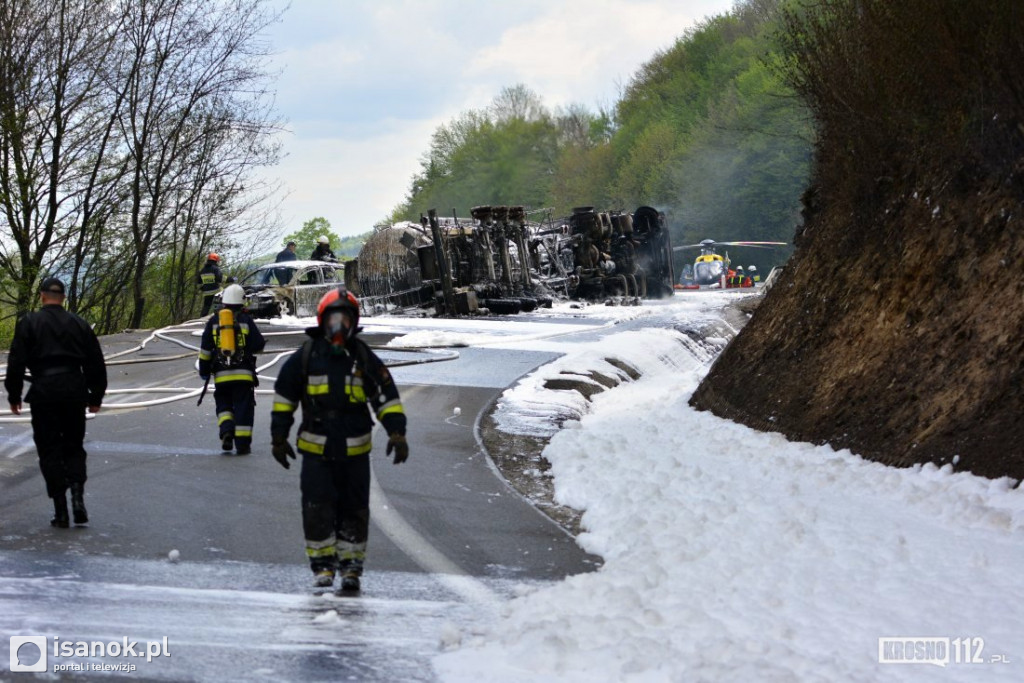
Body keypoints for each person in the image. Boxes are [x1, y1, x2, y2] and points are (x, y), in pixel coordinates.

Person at [270, 287, 408, 593]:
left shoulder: (363, 358)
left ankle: (351, 569)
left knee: (354, 510)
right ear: (322, 320)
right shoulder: (306, 357)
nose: (339, 325)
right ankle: (322, 567)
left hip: (355, 453)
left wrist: (397, 431)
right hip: (316, 452)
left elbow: (386, 396)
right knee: (317, 508)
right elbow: (284, 399)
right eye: (334, 318)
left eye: (344, 318)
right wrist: (278, 437)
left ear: (353, 321)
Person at [5, 278, 107, 528]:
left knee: (49, 449)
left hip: (44, 392)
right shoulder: (79, 324)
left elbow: (16, 362)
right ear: (63, 298)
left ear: (42, 296)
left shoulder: (29, 323)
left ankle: (60, 509)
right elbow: (95, 362)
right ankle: (77, 498)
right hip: (74, 390)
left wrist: (14, 395)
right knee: (73, 446)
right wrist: (95, 397)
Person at [197, 284, 266, 455]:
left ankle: (227, 430)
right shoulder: (246, 320)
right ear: (242, 302)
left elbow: (205, 350)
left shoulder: (214, 321)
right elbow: (258, 344)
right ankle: (242, 444)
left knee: (224, 403)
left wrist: (204, 371)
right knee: (244, 407)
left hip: (221, 375)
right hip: (243, 375)